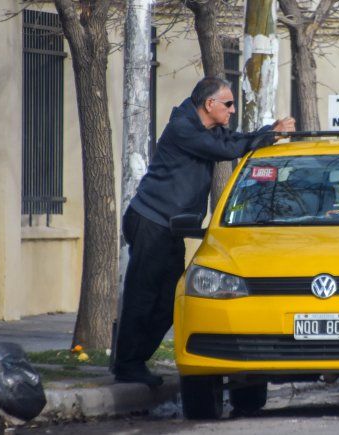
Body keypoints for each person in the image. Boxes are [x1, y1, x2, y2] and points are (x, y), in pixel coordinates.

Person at [113, 76, 295, 386]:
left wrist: (268, 134)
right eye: (228, 104)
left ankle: (134, 360)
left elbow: (233, 140)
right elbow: (225, 149)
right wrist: (269, 133)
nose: (232, 110)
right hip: (150, 221)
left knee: (170, 301)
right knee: (143, 296)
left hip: (170, 227)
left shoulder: (209, 128)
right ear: (209, 104)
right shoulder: (183, 128)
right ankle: (127, 365)